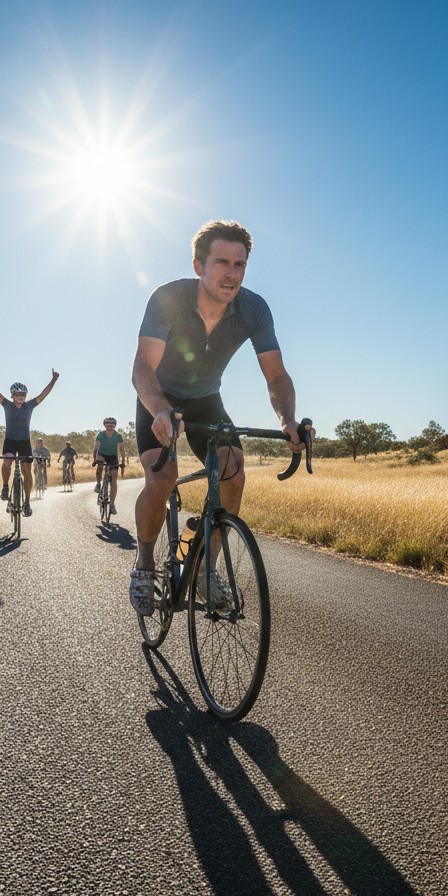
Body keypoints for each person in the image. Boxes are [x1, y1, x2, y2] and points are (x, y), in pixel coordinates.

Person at [128, 219, 312, 615]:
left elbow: (276, 374)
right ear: (198, 265)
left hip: (206, 400)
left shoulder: (253, 308)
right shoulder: (168, 299)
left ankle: (205, 571)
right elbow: (142, 367)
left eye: (240, 265)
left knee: (234, 470)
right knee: (162, 479)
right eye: (222, 262)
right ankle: (144, 564)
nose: (232, 273)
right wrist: (159, 409)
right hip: (160, 397)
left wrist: (288, 420)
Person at [0, 364, 59, 517]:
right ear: (12, 395)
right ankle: (5, 487)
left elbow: (44, 394)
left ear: (26, 396)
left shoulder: (30, 405)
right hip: (10, 441)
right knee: (7, 461)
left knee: (27, 471)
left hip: (25, 441)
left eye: (23, 395)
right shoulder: (7, 404)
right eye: (17, 395)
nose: (20, 397)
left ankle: (27, 502)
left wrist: (54, 380)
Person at [93, 418, 126, 515]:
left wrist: (123, 462)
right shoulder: (101, 435)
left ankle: (112, 503)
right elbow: (96, 447)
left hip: (113, 457)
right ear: (104, 426)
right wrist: (95, 459)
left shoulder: (118, 436)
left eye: (112, 426)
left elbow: (122, 450)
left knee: (114, 478)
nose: (110, 428)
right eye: (108, 426)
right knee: (99, 465)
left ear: (115, 426)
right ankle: (98, 483)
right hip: (102, 454)